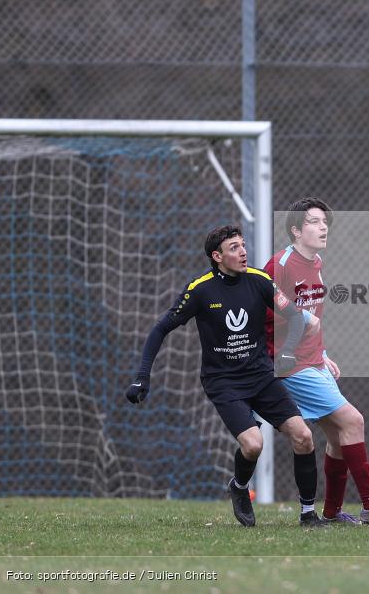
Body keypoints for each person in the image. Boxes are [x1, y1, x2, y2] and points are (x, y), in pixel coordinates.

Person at [125, 225, 327, 528]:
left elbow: (295, 317)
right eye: (234, 247)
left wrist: (286, 353)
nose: (243, 251)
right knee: (253, 444)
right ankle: (240, 487)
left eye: (243, 245)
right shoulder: (201, 289)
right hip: (224, 382)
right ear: (217, 256)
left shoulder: (260, 282)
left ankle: (308, 514)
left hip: (261, 376)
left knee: (304, 436)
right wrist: (142, 376)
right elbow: (160, 329)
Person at [265, 198, 369, 527]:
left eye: (325, 223)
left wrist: (324, 354)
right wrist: (298, 325)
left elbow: (313, 316)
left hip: (313, 360)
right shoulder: (281, 265)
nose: (323, 228)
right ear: (295, 230)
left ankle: (331, 514)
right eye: (315, 222)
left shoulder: (315, 262)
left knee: (337, 436)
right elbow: (266, 311)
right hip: (292, 365)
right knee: (353, 421)